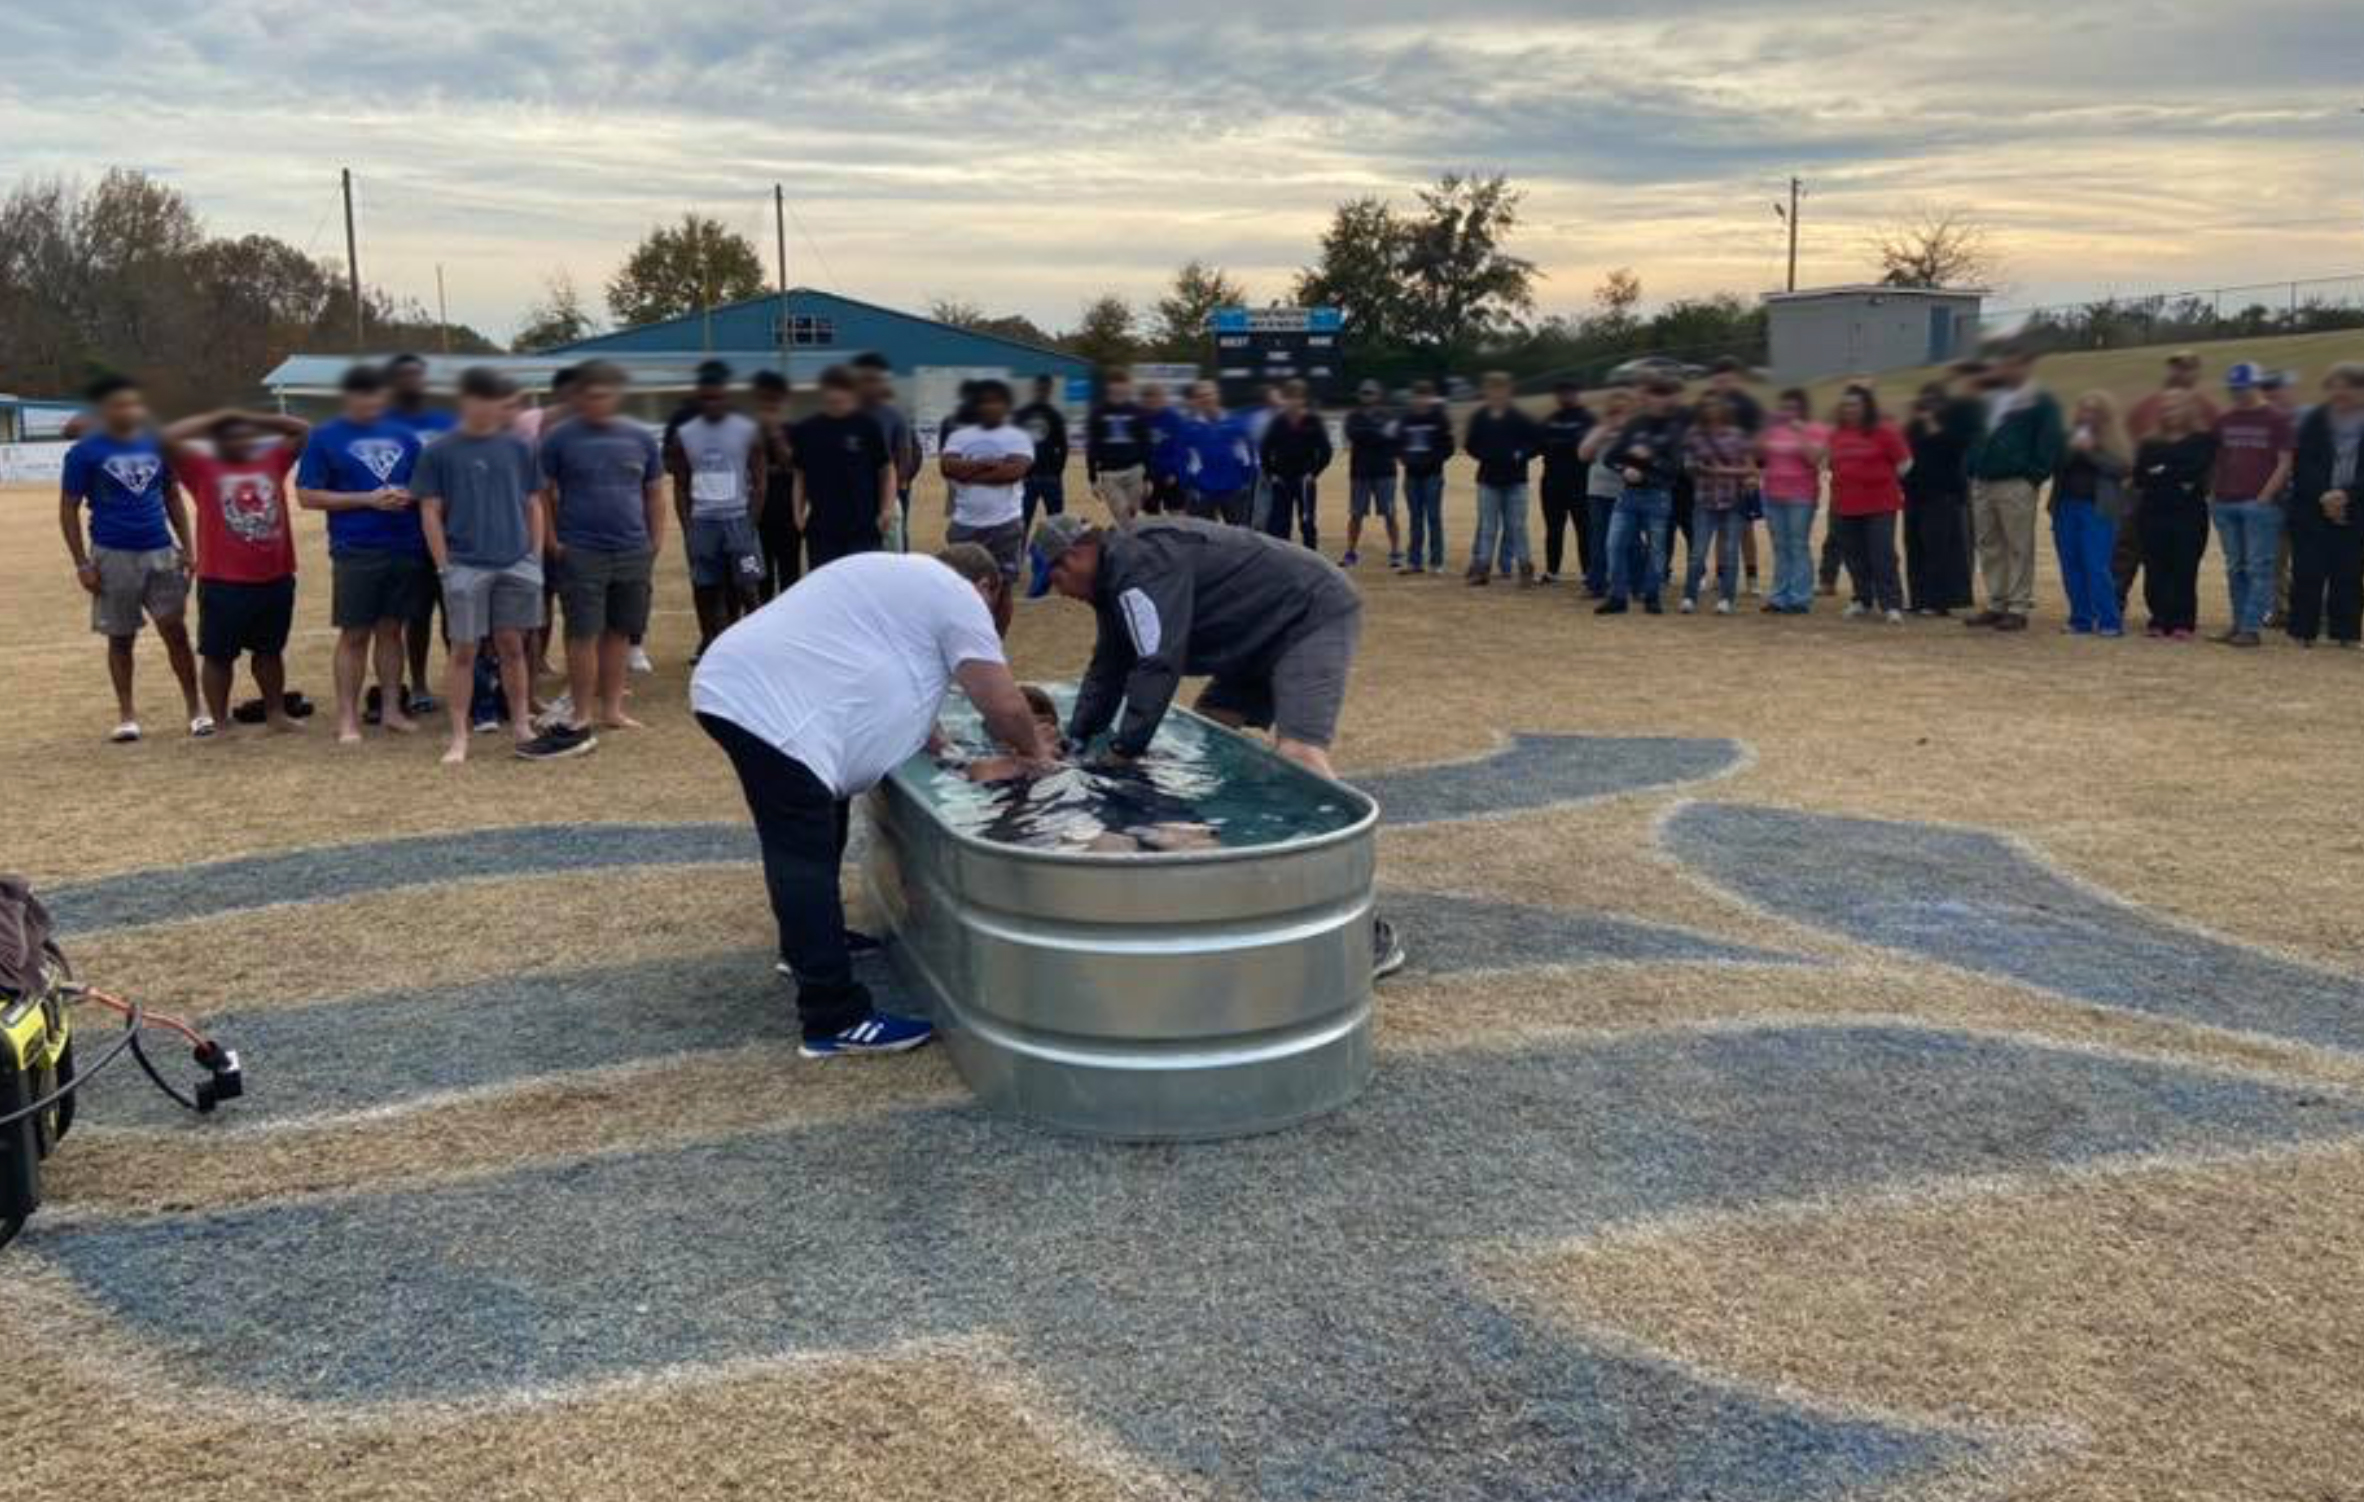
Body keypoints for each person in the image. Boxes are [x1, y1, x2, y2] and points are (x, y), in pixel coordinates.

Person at [691, 544, 1056, 1058]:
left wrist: (948, 750)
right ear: (988, 587)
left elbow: (890, 678)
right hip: (764, 707)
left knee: (817, 825)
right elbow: (999, 700)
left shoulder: (900, 582)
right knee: (802, 850)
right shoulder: (959, 596)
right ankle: (832, 1016)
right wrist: (1035, 753)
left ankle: (810, 948)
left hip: (742, 686)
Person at [1030, 514, 1404, 976]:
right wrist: (1078, 739)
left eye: (1057, 577)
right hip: (1253, 634)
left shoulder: (1140, 565)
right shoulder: (1115, 583)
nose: (1059, 591)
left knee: (1300, 756)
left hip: (1307, 615)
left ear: (1078, 554)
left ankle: (1360, 924)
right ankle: (1226, 881)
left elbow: (1156, 663)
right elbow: (1109, 667)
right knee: (1211, 737)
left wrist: (1125, 750)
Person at [528, 359, 666, 756]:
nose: (597, 401)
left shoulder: (640, 438)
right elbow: (542, 494)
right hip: (581, 549)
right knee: (583, 633)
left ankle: (613, 710)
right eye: (589, 394)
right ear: (578, 396)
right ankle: (581, 714)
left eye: (605, 394)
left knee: (620, 630)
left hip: (632, 549)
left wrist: (654, 540)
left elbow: (654, 493)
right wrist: (553, 540)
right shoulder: (557, 439)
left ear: (618, 396)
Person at [58, 374, 205, 742]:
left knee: (176, 631)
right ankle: (127, 715)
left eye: (134, 403)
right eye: (119, 404)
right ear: (104, 410)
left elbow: (172, 496)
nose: (129, 410)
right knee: (120, 638)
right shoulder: (85, 452)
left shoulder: (157, 444)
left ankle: (196, 710)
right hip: (112, 555)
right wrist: (82, 563)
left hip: (160, 551)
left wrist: (188, 548)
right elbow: (68, 508)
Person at [411, 367, 545, 764]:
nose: (489, 406)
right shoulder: (438, 451)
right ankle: (459, 735)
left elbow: (534, 503)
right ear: (466, 401)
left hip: (515, 562)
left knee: (513, 647)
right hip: (465, 565)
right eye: (481, 398)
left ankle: (521, 723)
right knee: (464, 651)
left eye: (495, 398)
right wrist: (443, 567)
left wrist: (533, 557)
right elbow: (430, 510)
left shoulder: (520, 448)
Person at [297, 364, 430, 742]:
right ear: (347, 397)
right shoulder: (325, 437)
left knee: (392, 631)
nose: (370, 402)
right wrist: (366, 499)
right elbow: (306, 495)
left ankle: (390, 709)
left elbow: (425, 485)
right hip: (356, 548)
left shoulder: (404, 436)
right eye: (362, 395)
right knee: (355, 634)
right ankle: (347, 719)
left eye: (376, 395)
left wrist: (409, 495)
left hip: (405, 545)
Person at [160, 405, 311, 736]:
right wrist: (218, 417)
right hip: (224, 581)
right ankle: (222, 721)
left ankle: (275, 713)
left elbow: (304, 429)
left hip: (275, 576)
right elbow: (164, 438)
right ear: (216, 442)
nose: (242, 441)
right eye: (232, 436)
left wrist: (253, 418)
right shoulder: (201, 466)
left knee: (270, 651)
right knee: (218, 655)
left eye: (248, 436)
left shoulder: (272, 459)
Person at [666, 360, 767, 658]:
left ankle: (757, 646)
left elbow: (760, 482)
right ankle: (712, 644)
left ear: (727, 395)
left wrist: (750, 524)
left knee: (748, 588)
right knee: (706, 587)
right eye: (706, 398)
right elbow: (681, 485)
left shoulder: (747, 430)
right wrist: (688, 527)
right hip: (703, 523)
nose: (712, 403)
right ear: (699, 397)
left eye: (718, 397)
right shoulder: (685, 435)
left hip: (737, 521)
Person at [1964, 345, 2065, 632]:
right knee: (1988, 543)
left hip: (2015, 481)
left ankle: (2018, 605)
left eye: (2012, 364)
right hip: (1982, 480)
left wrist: (2033, 474)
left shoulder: (2041, 401)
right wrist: (1972, 464)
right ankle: (1997, 601)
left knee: (2017, 544)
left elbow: (2050, 439)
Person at [384, 353, 457, 708]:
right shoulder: (383, 424)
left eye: (417, 375)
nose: (411, 382)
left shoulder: (447, 421)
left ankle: (462, 682)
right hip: (405, 536)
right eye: (404, 376)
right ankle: (418, 686)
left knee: (457, 615)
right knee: (416, 616)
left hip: (453, 534)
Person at [2207, 361, 2296, 649]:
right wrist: (2213, 494)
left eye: (2243, 388)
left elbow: (2285, 462)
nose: (2237, 394)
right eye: (2233, 389)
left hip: (2260, 504)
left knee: (2260, 566)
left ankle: (2251, 626)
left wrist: (2265, 497)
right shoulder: (2225, 420)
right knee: (2235, 567)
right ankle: (2238, 622)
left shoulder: (2277, 419)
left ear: (2257, 386)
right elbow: (2216, 458)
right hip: (2225, 501)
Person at [2283, 363, 2364, 649]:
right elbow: (2302, 463)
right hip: (2311, 506)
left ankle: (2346, 633)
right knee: (2308, 570)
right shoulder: (2315, 419)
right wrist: (2326, 495)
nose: (2340, 392)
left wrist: (2346, 495)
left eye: (2349, 386)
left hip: (2355, 508)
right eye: (2335, 386)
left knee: (2349, 572)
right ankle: (2302, 630)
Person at [1595, 378, 1687, 615]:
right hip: (1628, 496)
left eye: (1661, 394)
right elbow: (1611, 457)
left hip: (1658, 497)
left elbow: (1675, 467)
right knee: (1614, 545)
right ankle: (1618, 597)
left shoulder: (1674, 429)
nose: (1655, 398)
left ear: (1667, 399)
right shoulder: (1635, 424)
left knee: (1656, 550)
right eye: (1652, 394)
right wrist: (1624, 470)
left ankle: (1652, 596)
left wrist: (1645, 463)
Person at [792, 365, 896, 568]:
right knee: (827, 585)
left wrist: (887, 509)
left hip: (863, 526)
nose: (836, 395)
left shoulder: (867, 425)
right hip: (822, 529)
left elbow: (887, 469)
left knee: (863, 583)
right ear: (823, 391)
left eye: (843, 389)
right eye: (832, 389)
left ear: (853, 392)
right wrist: (797, 513)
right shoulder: (806, 429)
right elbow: (799, 475)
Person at [2132, 396, 2217, 640]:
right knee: (2155, 567)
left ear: (2189, 411)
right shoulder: (2149, 442)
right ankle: (2159, 618)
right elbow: (2140, 476)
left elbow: (2196, 469)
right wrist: (2173, 474)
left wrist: (2160, 470)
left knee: (2184, 566)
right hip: (2152, 513)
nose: (2170, 413)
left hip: (2188, 515)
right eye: (2166, 409)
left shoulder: (2202, 440)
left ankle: (2183, 620)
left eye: (2176, 408)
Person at [1825, 385, 1911, 623]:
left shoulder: (1884, 431)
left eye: (1854, 405)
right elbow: (1833, 463)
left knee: (1882, 553)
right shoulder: (1837, 434)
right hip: (1845, 503)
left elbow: (1905, 462)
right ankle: (1863, 599)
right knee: (1854, 555)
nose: (1849, 409)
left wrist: (1884, 481)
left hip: (1879, 504)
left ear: (1867, 406)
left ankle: (1891, 604)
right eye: (1846, 405)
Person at [2050, 391, 2133, 637]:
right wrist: (2070, 450)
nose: (2087, 415)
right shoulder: (2067, 438)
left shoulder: (2113, 442)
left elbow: (2121, 469)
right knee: (2071, 564)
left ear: (2105, 416)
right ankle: (2081, 619)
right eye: (2084, 409)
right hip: (2066, 507)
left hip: (2097, 509)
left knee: (2096, 565)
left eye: (2094, 411)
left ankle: (2109, 620)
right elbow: (2054, 464)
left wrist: (2090, 451)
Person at [940, 378, 1036, 580]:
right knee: (962, 584)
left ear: (1007, 405)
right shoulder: (959, 436)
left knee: (1003, 586)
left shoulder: (1018, 437)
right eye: (984, 402)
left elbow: (1013, 473)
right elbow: (947, 468)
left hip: (1005, 523)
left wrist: (967, 472)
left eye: (996, 401)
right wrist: (986, 464)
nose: (989, 406)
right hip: (965, 522)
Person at [1901, 377, 1980, 616]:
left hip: (1943, 496)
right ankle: (1919, 598)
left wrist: (1934, 423)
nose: (1926, 407)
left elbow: (1955, 451)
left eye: (1933, 402)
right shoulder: (1912, 429)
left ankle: (1939, 601)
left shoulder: (1951, 428)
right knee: (1915, 547)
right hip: (1915, 496)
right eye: (1924, 402)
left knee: (1940, 550)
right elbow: (1901, 453)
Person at [1462, 370, 1545, 586]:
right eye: (1492, 388)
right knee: (1488, 527)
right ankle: (1482, 569)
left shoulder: (1520, 418)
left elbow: (1537, 443)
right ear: (1486, 391)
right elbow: (1470, 444)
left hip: (1515, 481)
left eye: (1501, 388)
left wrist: (1520, 454)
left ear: (1509, 390)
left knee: (1517, 526)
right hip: (1488, 480)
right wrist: (1485, 454)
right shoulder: (1480, 417)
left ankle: (1525, 569)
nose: (1497, 393)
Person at [1680, 394, 1755, 615]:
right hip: (1704, 499)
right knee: (1698, 552)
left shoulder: (1737, 435)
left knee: (1731, 552)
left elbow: (1750, 469)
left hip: (1733, 500)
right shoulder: (1694, 434)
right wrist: (1696, 466)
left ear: (1724, 409)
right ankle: (1689, 597)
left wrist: (1723, 471)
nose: (1711, 410)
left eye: (1715, 405)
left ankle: (1726, 599)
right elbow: (1686, 464)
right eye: (1706, 406)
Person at [1754, 389, 1825, 615]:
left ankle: (1799, 597)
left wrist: (1801, 434)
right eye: (1784, 407)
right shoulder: (1774, 430)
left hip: (1801, 496)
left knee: (1797, 545)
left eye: (1793, 408)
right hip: (1772, 494)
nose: (1788, 412)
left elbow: (1814, 459)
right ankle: (1779, 597)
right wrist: (1763, 430)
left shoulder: (1815, 429)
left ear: (1803, 409)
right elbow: (1758, 455)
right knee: (1780, 547)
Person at [1702, 358, 1766, 594]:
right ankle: (1720, 576)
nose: (1722, 383)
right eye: (1718, 379)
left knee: (1745, 528)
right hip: (1716, 478)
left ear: (1735, 378)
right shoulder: (1708, 403)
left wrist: (1756, 472)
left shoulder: (1749, 405)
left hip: (1743, 475)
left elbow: (1759, 441)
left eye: (1726, 378)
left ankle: (1752, 579)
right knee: (1721, 528)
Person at [851, 353, 921, 552]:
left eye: (874, 380)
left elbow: (906, 453)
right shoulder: (845, 414)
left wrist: (898, 486)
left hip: (890, 492)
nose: (869, 385)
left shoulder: (894, 415)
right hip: (854, 494)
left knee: (894, 544)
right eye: (863, 380)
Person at [1258, 380, 1332, 550]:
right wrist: (1272, 474)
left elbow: (1326, 451)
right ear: (1284, 399)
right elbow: (1264, 450)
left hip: (1304, 481)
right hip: (1282, 481)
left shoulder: (1313, 421)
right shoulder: (1278, 422)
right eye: (1289, 397)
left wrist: (1313, 473)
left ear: (1303, 399)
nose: (1293, 402)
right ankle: (1283, 560)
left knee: (1307, 522)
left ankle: (1312, 558)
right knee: (1280, 524)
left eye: (1297, 397)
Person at [1577, 388, 1634, 599]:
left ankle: (1630, 583)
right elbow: (1583, 454)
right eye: (1614, 410)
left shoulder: (1635, 431)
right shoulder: (1599, 428)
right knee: (1598, 539)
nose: (1618, 415)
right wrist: (1605, 430)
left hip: (1625, 491)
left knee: (1629, 540)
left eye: (1623, 410)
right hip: (1598, 491)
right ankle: (1596, 584)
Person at [1537, 380, 1596, 585]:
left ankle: (1588, 572)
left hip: (1581, 483)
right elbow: (1538, 445)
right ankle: (1552, 571)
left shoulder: (1588, 419)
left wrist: (1559, 444)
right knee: (1553, 529)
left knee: (1584, 529)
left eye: (1570, 393)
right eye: (1561, 393)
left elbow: (1585, 448)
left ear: (1577, 394)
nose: (1565, 397)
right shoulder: (1550, 420)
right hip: (1552, 483)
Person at [749, 370, 801, 599]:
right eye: (763, 399)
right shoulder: (746, 430)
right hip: (755, 516)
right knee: (761, 578)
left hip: (788, 513)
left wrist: (774, 433)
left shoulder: (796, 429)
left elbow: (794, 465)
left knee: (791, 577)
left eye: (773, 399)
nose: (768, 406)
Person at [1176, 382, 1258, 524]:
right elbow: (1182, 460)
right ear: (1195, 400)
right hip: (1202, 494)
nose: (1205, 399)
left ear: (1218, 396)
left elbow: (1251, 456)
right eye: (1200, 396)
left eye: (1209, 394)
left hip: (1234, 491)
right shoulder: (1188, 429)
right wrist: (1190, 487)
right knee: (1201, 540)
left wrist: (1246, 482)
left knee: (1239, 539)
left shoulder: (1236, 424)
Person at [1340, 381, 1402, 568]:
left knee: (1390, 514)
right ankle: (1351, 552)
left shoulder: (1389, 415)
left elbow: (1393, 438)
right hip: (1360, 472)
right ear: (1359, 395)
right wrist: (1378, 434)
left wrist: (1368, 435)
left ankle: (1396, 551)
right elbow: (1353, 435)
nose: (1368, 396)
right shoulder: (1353, 416)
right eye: (1364, 393)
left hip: (1385, 471)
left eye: (1371, 393)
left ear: (1379, 394)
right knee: (1356, 514)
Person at [1395, 381, 1454, 574]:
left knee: (1434, 518)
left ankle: (1437, 562)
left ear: (1431, 397)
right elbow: (1397, 443)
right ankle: (1415, 561)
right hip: (1411, 476)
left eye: (1425, 396)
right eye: (1418, 396)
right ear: (1413, 398)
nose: (1421, 400)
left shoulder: (1439, 418)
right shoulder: (1406, 419)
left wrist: (1434, 460)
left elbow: (1449, 447)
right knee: (1415, 519)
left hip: (1432, 476)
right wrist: (1403, 458)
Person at [1084, 369, 1153, 523]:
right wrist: (1093, 479)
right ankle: (1132, 545)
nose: (1118, 392)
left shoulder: (1137, 412)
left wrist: (1148, 478)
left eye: (1122, 387)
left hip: (1135, 472)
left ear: (1128, 388)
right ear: (1109, 388)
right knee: (1123, 517)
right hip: (1110, 475)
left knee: (1134, 516)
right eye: (1115, 388)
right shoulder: (1098, 413)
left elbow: (1146, 446)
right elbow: (1092, 447)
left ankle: (1133, 545)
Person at [1014, 375, 1070, 534]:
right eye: (1040, 388)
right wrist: (1019, 471)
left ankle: (1054, 557)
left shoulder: (1055, 416)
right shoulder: (1022, 414)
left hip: (1050, 478)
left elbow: (1063, 447)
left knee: (1057, 525)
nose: (1043, 391)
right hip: (1026, 479)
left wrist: (1057, 472)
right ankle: (1018, 557)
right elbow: (1014, 443)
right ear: (1035, 389)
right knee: (1021, 524)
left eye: (1046, 389)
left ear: (1050, 391)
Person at [1143, 381, 1189, 517]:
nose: (1153, 401)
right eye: (1149, 398)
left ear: (1164, 398)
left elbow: (1180, 449)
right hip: (1150, 476)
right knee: (1151, 518)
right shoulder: (1141, 419)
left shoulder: (1175, 419)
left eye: (1157, 397)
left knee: (1177, 516)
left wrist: (1174, 472)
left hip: (1171, 476)